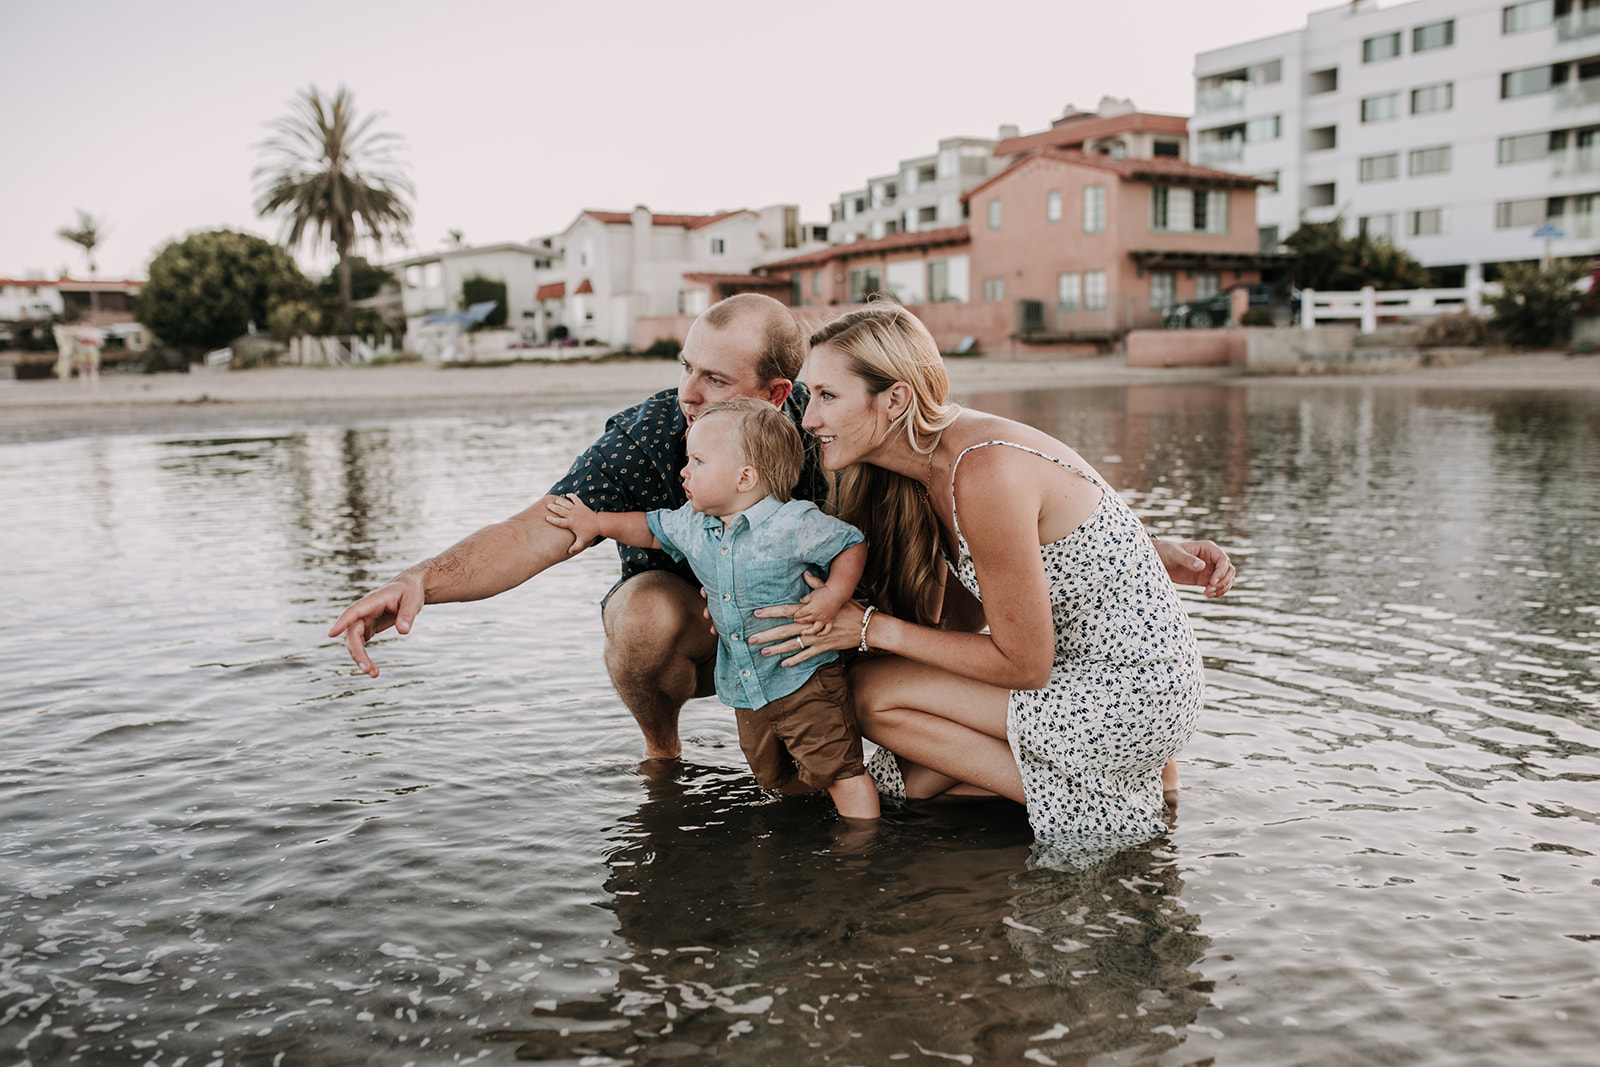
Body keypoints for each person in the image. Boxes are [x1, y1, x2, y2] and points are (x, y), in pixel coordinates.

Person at [749, 303, 1235, 854]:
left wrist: (869, 629)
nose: (809, 419)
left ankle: (1116, 806)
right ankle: (1110, 783)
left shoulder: (981, 469)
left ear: (896, 399)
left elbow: (1025, 666)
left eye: (828, 396)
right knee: (905, 784)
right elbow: (1041, 562)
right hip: (1093, 674)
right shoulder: (930, 462)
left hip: (1134, 694)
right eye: (810, 395)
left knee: (872, 696)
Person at [328, 293, 827, 760]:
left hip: (810, 624)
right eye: (685, 367)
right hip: (695, 635)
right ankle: (663, 755)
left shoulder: (826, 432)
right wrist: (419, 579)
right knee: (641, 619)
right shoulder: (648, 435)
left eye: (714, 380)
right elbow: (532, 534)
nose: (687, 395)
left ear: (776, 393)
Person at [545, 397, 878, 820]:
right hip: (746, 685)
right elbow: (647, 528)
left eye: (698, 461)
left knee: (839, 769)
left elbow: (851, 542)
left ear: (745, 477)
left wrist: (833, 595)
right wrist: (596, 522)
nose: (684, 471)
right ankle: (810, 820)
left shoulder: (793, 523)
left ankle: (862, 848)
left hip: (804, 675)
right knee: (769, 776)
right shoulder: (692, 522)